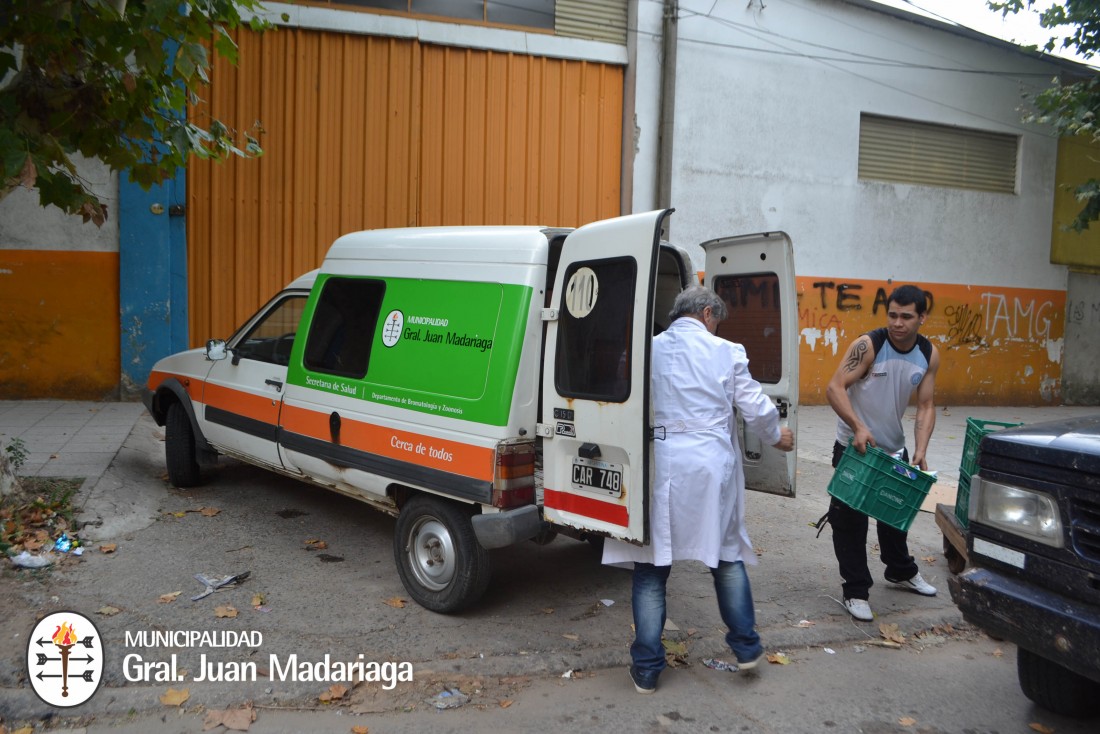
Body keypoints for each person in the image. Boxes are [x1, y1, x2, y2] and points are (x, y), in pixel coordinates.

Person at [602, 285, 795, 694]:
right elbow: (755, 406)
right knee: (725, 557)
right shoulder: (726, 351)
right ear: (708, 313)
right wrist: (777, 435)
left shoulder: (644, 349)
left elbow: (620, 393)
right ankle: (746, 648)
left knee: (651, 569)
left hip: (658, 461)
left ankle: (648, 671)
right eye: (716, 321)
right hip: (709, 467)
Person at [824, 284, 941, 622]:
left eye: (906, 317)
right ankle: (856, 591)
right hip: (855, 449)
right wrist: (858, 426)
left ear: (922, 318)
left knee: (895, 519)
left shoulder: (929, 353)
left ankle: (900, 571)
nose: (898, 323)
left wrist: (920, 449)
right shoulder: (869, 345)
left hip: (895, 450)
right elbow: (834, 388)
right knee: (850, 523)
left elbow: (926, 404)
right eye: (893, 315)